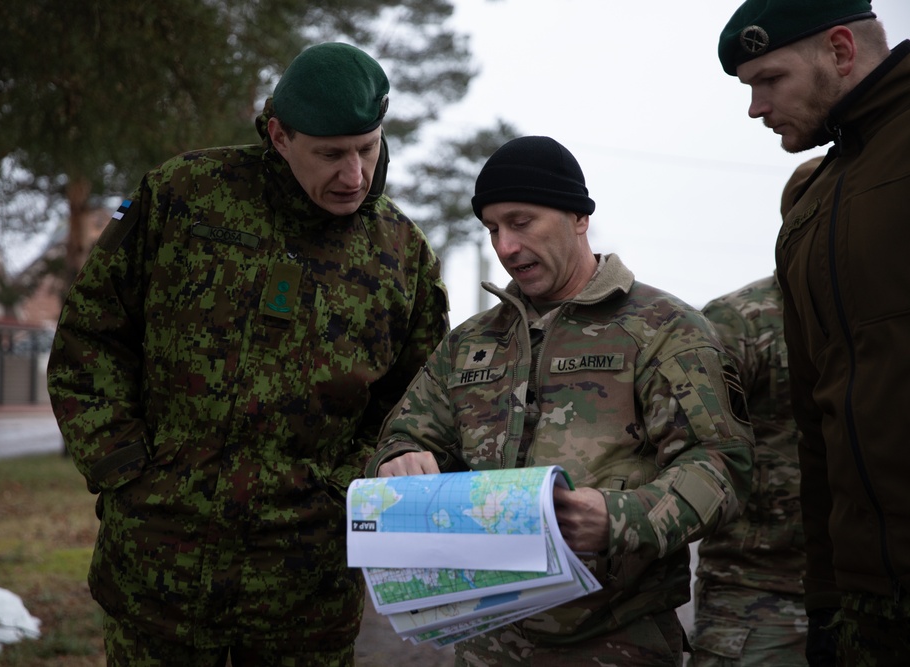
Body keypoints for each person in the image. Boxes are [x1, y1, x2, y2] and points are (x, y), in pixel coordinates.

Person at [46, 42, 449, 666]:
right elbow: (89, 336)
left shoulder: (401, 253)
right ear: (279, 135)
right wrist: (126, 471)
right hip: (159, 575)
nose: (354, 176)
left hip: (304, 591)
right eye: (330, 154)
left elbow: (418, 401)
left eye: (367, 149)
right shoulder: (184, 197)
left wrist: (340, 493)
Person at [365, 135, 754, 666]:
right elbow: (405, 433)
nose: (505, 246)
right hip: (486, 639)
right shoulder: (471, 343)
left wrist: (621, 517)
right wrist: (398, 458)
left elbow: (721, 466)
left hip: (616, 641)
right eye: (492, 229)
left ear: (578, 217)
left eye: (521, 222)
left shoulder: (665, 329)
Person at [719, 1, 910, 663]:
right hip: (870, 602)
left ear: (839, 49)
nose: (755, 107)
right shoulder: (808, 206)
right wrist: (829, 597)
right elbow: (815, 422)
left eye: (768, 80)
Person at [687, 156, 824, 667]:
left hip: (874, 585)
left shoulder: (882, 318)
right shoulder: (740, 320)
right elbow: (685, 446)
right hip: (759, 590)